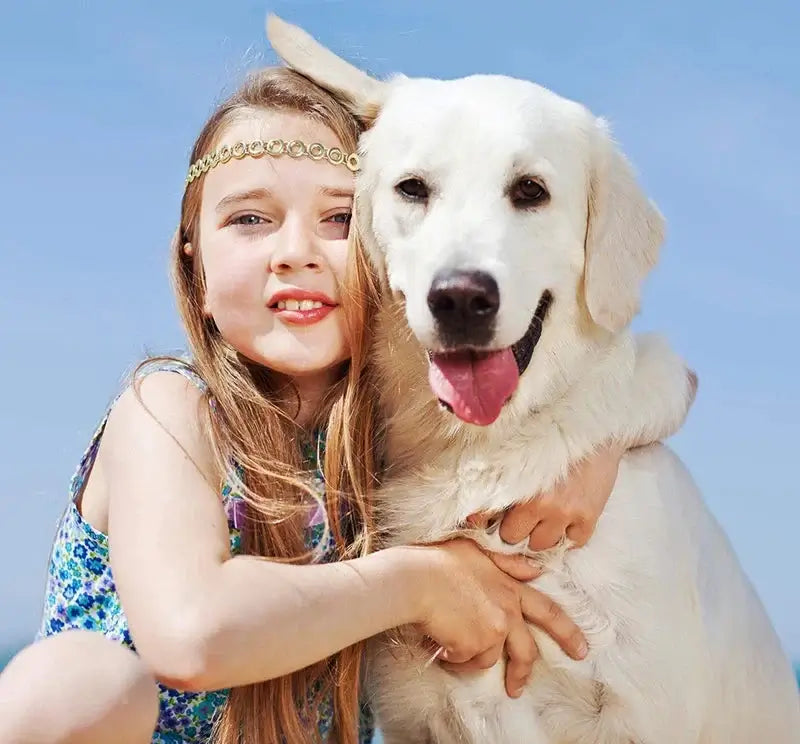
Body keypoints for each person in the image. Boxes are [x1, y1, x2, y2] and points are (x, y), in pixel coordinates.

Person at [0, 66, 682, 744]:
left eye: (337, 219)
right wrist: (422, 582)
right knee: (79, 683)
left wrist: (599, 447)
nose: (295, 252)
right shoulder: (167, 408)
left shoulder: (379, 442)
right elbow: (190, 636)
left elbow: (664, 377)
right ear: (194, 267)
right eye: (249, 219)